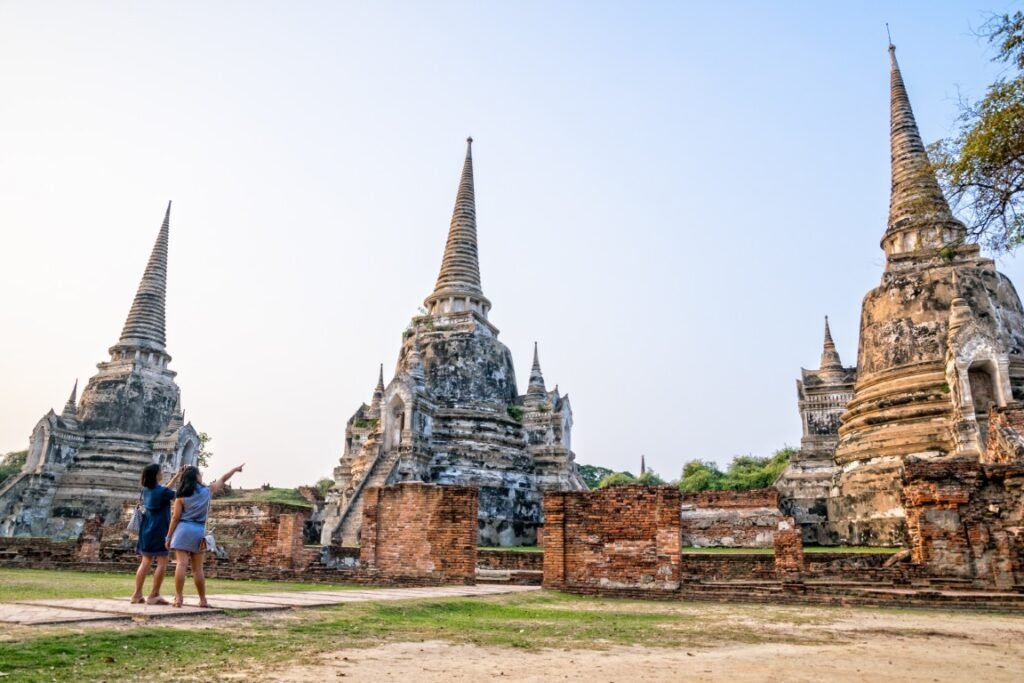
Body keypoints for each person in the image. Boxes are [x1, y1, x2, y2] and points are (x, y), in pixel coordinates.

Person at [166, 463, 244, 608]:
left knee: (181, 565)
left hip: (182, 530)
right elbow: (223, 479)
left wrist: (168, 537)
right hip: (198, 530)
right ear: (196, 477)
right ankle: (202, 600)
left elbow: (175, 518)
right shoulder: (207, 491)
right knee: (197, 569)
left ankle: (179, 598)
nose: (201, 475)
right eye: (199, 473)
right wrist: (234, 469)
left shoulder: (181, 496)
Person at [131, 463, 183, 605]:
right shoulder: (162, 492)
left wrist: (176, 476)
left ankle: (137, 594)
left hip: (146, 528)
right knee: (162, 562)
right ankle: (154, 594)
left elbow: (164, 490)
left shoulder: (146, 490)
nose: (162, 473)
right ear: (156, 475)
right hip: (160, 529)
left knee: (145, 562)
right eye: (160, 472)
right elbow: (178, 495)